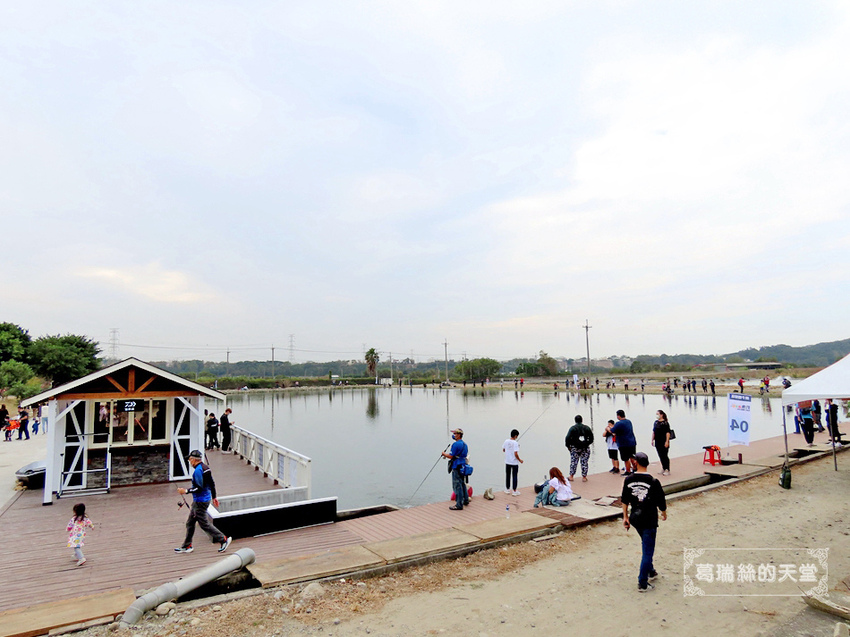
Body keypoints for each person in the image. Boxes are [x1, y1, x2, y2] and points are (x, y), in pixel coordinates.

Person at [621, 452, 667, 592]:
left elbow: (624, 499)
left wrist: (625, 517)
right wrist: (663, 512)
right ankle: (642, 582)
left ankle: (650, 570)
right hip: (649, 518)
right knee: (648, 550)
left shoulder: (628, 479)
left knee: (646, 543)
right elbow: (661, 500)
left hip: (635, 517)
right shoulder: (653, 481)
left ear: (636, 463)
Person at [175, 450, 231, 553]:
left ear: (193, 460)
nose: (189, 462)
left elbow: (198, 488)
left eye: (189, 460)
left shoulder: (198, 471)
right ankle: (187, 545)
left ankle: (223, 539)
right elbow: (212, 483)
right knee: (190, 523)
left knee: (204, 524)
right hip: (204, 499)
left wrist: (185, 491)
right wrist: (214, 497)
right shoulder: (206, 468)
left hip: (200, 502)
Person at [442, 428, 469, 510]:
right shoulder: (465, 444)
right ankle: (465, 500)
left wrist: (444, 454)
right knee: (462, 483)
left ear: (459, 435)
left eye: (455, 434)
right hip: (463, 466)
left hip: (456, 466)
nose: (454, 435)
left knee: (457, 485)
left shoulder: (455, 444)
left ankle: (459, 504)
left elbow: (451, 456)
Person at [607, 410, 637, 475]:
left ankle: (628, 471)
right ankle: (635, 469)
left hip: (624, 444)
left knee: (625, 458)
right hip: (632, 442)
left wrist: (608, 428)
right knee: (632, 456)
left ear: (618, 416)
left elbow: (612, 431)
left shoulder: (619, 423)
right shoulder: (629, 421)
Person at [565, 415, 594, 482]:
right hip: (585, 448)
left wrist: (568, 446)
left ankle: (571, 476)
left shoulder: (572, 428)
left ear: (575, 420)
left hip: (575, 448)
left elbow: (567, 438)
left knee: (573, 462)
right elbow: (591, 438)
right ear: (582, 420)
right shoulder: (587, 428)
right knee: (584, 462)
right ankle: (584, 477)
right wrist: (587, 444)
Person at [67, 503, 94, 567]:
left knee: (76, 547)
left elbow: (70, 525)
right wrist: (92, 526)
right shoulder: (85, 518)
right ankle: (76, 555)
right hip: (81, 534)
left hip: (75, 535)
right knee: (77, 544)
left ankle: (81, 558)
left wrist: (68, 529)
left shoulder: (74, 518)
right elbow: (89, 523)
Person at [502, 428, 523, 495]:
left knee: (508, 475)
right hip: (514, 462)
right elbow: (516, 454)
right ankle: (514, 491)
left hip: (507, 461)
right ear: (516, 436)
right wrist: (520, 460)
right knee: (514, 476)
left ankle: (507, 489)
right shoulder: (515, 443)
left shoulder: (506, 441)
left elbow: (504, 450)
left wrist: (509, 450)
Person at [651, 410, 672, 475]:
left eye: (658, 414)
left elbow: (668, 433)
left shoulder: (665, 423)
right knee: (660, 455)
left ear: (661, 415)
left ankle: (667, 469)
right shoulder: (656, 422)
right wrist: (652, 440)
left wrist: (667, 441)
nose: (657, 415)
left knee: (664, 455)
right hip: (657, 441)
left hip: (663, 441)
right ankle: (663, 468)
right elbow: (654, 432)